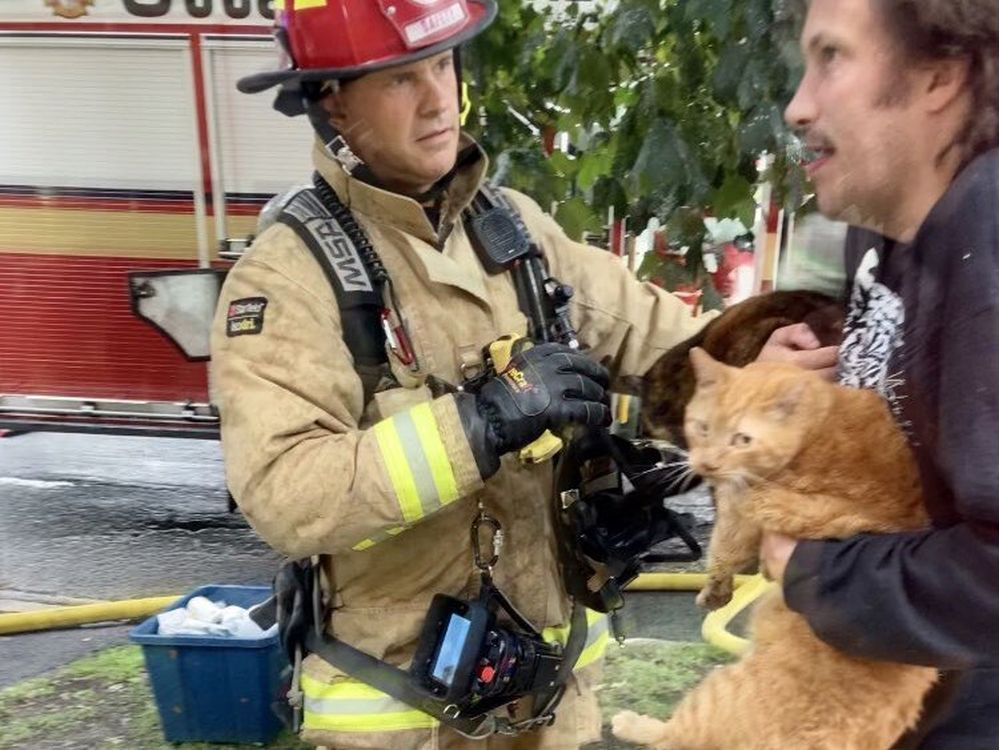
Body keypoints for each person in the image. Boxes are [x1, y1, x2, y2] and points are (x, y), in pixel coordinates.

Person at [208, 1, 729, 747]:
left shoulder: (511, 232)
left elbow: (660, 338)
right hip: (403, 715)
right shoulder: (289, 280)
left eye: (442, 65)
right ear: (333, 101)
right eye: (399, 79)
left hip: (551, 701)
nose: (437, 100)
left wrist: (770, 351)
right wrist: (479, 424)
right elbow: (285, 495)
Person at [759, 1, 999, 748]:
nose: (799, 106)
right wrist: (785, 394)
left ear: (939, 75)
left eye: (832, 57)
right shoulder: (890, 223)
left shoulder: (987, 248)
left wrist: (819, 572)